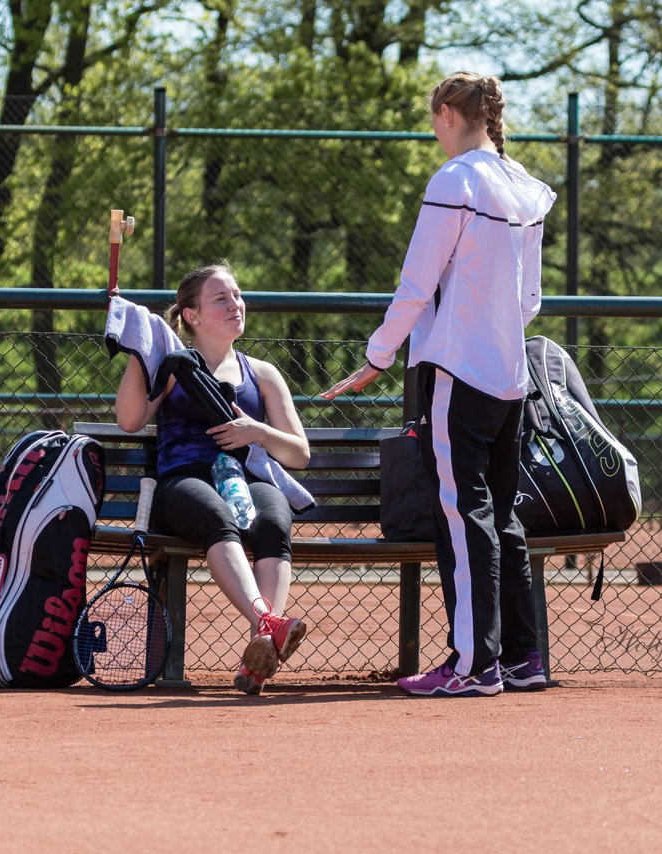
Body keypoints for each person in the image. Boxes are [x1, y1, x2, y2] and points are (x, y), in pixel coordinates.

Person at [321, 72, 556, 697]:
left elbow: (415, 285)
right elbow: (530, 300)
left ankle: (473, 666)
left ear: (448, 112)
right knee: (499, 515)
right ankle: (521, 657)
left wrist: (377, 355)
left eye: (433, 117)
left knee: (463, 517)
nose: (433, 128)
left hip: (457, 373)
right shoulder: (522, 186)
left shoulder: (454, 180)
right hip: (509, 379)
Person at [115, 262, 311, 695]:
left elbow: (299, 454)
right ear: (192, 316)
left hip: (242, 478)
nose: (235, 304)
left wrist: (257, 432)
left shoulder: (262, 374)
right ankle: (269, 624)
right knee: (217, 515)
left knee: (274, 519)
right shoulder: (173, 364)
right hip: (183, 482)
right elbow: (129, 420)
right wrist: (138, 351)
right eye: (221, 298)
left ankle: (262, 647)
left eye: (237, 295)